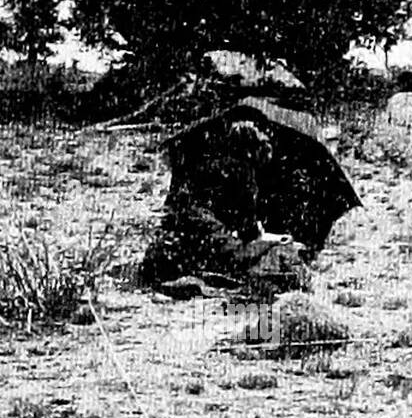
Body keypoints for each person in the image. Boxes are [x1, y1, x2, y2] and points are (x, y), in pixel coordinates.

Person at [139, 102, 360, 297]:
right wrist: (279, 239)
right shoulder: (243, 176)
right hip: (204, 237)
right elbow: (248, 237)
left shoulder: (207, 162)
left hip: (176, 237)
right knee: (274, 258)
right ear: (256, 151)